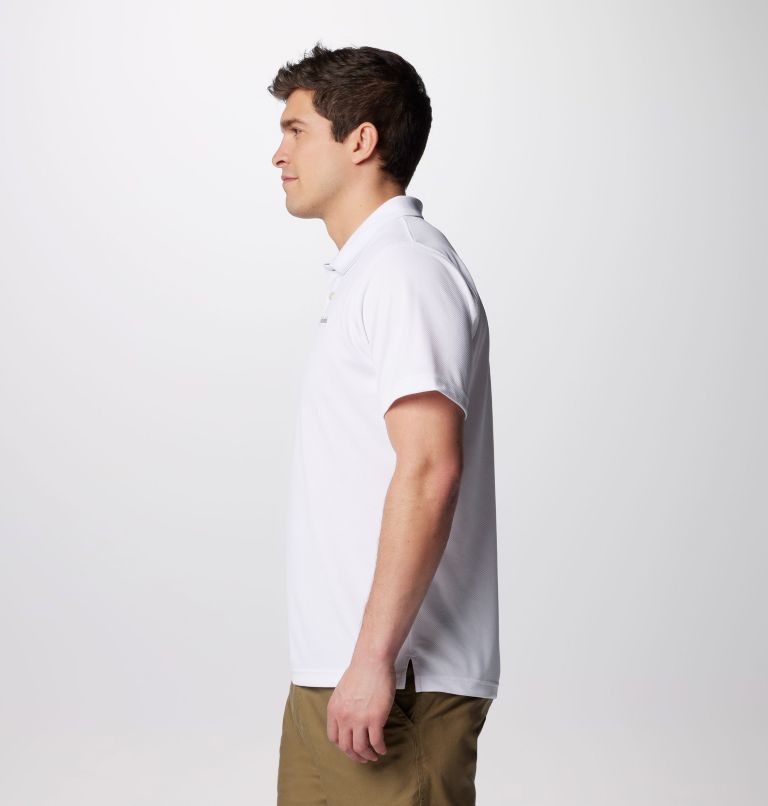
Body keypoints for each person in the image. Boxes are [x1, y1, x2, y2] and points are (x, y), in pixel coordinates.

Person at [268, 42, 500, 805]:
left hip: (396, 685)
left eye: (296, 131)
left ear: (360, 140)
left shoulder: (406, 269)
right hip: (337, 679)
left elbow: (430, 469)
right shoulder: (369, 273)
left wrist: (372, 661)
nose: (279, 155)